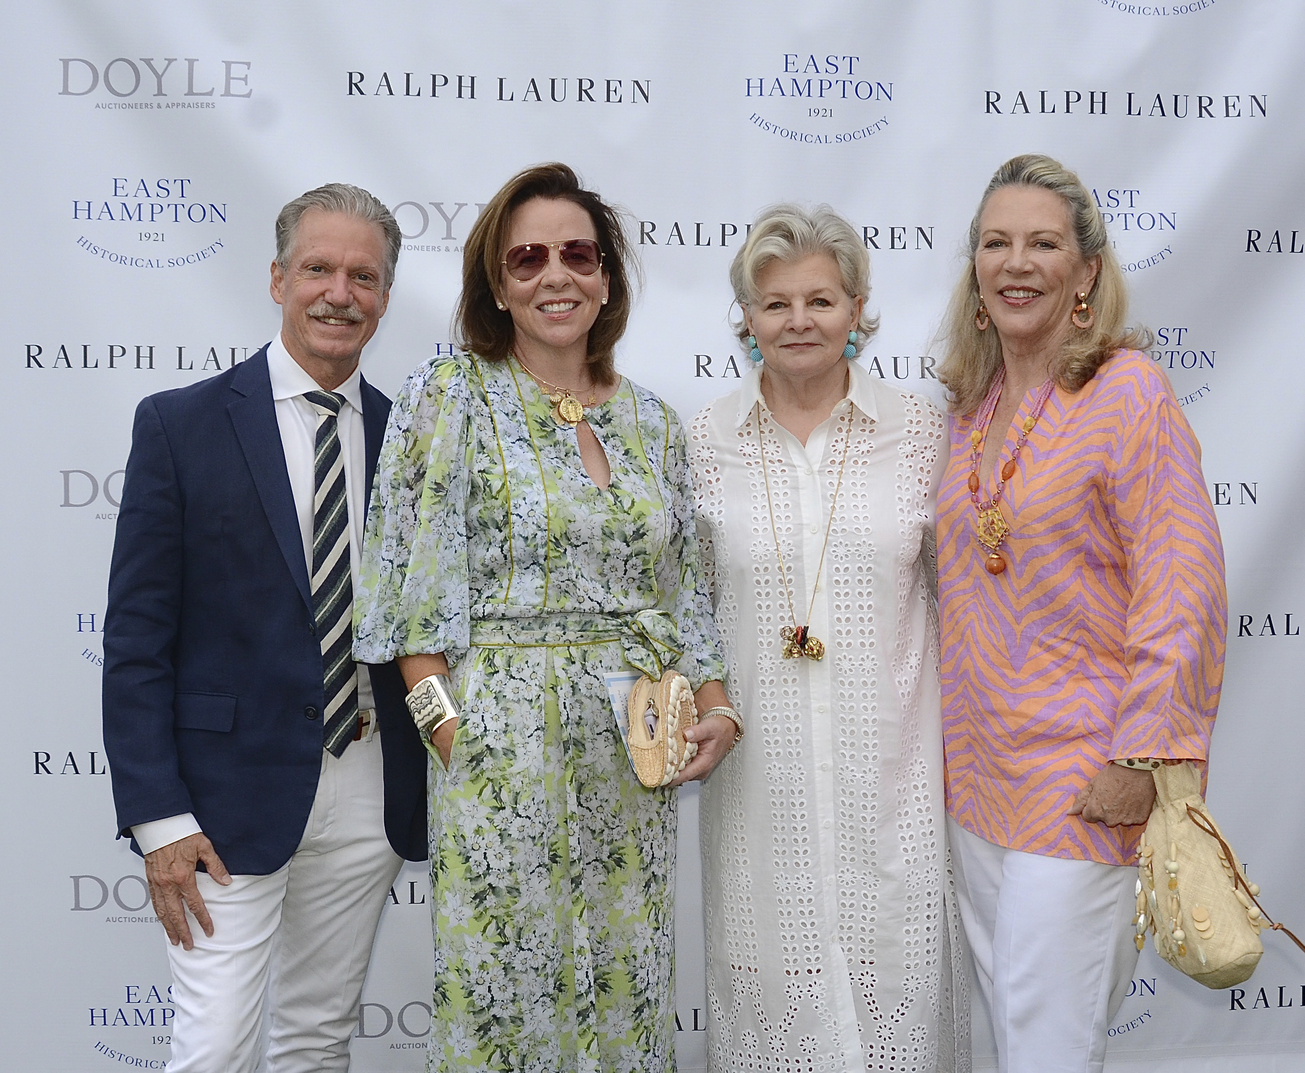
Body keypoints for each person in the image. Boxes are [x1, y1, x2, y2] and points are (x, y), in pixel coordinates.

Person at [352, 162, 736, 1072]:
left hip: (634, 751)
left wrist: (715, 707)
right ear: (497, 282)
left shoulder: (651, 422)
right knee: (503, 1003)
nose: (553, 275)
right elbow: (411, 605)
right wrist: (456, 742)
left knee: (625, 987)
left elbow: (684, 591)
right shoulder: (449, 395)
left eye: (577, 254)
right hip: (500, 754)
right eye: (526, 258)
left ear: (607, 277)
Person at [101, 183, 427, 1073]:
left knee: (317, 1039)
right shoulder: (180, 424)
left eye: (364, 276)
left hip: (368, 784)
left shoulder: (413, 440)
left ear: (386, 300)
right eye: (319, 268)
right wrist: (159, 817)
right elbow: (134, 641)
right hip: (219, 804)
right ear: (278, 277)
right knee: (212, 1048)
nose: (340, 292)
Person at [934, 154, 1227, 1073]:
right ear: (976, 271)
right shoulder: (970, 409)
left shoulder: (1128, 392)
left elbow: (1184, 586)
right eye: (996, 243)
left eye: (1043, 243)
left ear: (1087, 272)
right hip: (977, 785)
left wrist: (1143, 759)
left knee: (1048, 1051)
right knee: (1016, 1038)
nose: (1017, 262)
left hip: (1088, 781)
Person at [688, 205, 972, 1073]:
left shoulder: (923, 434)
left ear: (857, 309)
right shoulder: (701, 443)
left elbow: (971, 609)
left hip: (896, 791)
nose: (798, 321)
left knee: (902, 1018)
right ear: (745, 320)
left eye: (820, 299)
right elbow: (685, 617)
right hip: (757, 798)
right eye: (775, 304)